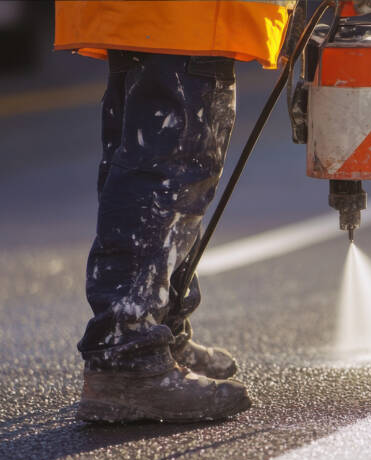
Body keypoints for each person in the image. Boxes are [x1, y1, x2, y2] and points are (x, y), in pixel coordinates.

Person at [54, 0, 295, 423]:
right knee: (168, 172)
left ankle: (157, 327)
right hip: (185, 15)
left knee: (143, 166)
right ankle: (128, 359)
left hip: (156, 16)